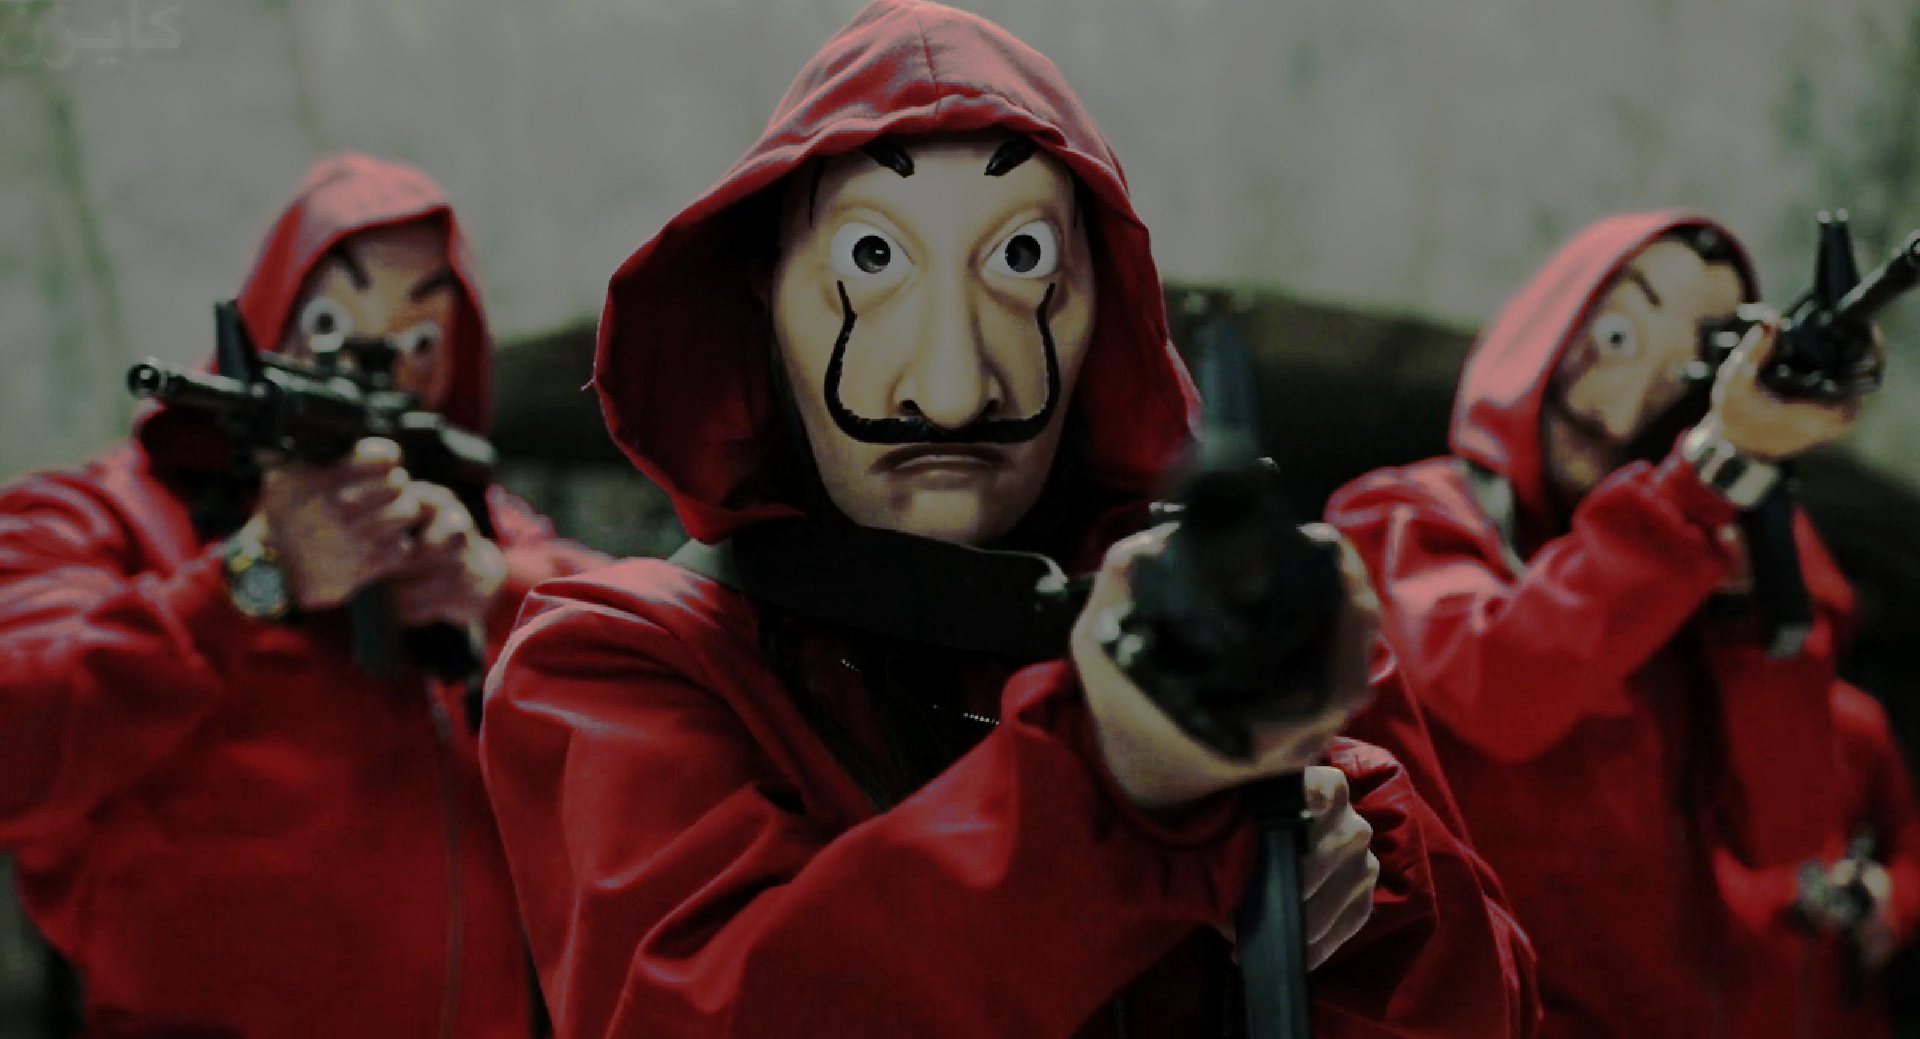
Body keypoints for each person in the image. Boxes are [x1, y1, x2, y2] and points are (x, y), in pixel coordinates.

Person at [478, 2, 1538, 1036]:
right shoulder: (620, 663)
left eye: (1022, 261)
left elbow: (1491, 1004)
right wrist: (1109, 790)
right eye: (872, 261)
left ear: (1101, 302)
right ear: (764, 288)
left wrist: (1361, 848)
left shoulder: (1241, 623)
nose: (951, 390)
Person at [0, 152, 609, 1038]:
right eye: (330, 323)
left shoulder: (470, 525)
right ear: (268, 319)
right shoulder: (105, 514)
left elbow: (662, 643)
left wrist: (492, 592)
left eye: (420, 340)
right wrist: (248, 579)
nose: (376, 365)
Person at [1325, 210, 1920, 1037]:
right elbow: (1500, 684)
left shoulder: (1682, 560)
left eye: (1682, 371)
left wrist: (1743, 601)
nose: (1622, 406)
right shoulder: (1405, 516)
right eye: (1615, 334)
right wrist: (1706, 475)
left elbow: (1786, 822)